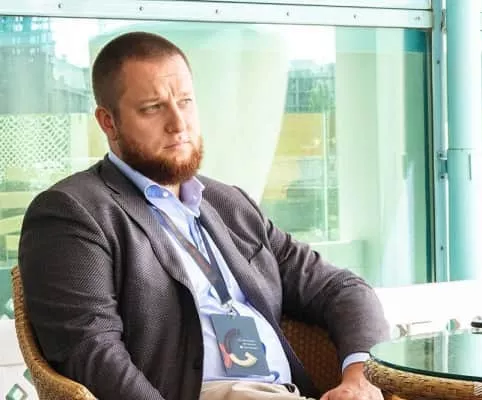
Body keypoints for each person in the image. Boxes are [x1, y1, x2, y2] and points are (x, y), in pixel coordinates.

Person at [17, 31, 390, 400]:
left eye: (185, 101)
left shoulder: (229, 204)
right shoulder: (73, 212)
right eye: (153, 108)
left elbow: (341, 289)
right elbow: (91, 353)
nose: (178, 124)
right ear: (108, 122)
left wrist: (361, 377)